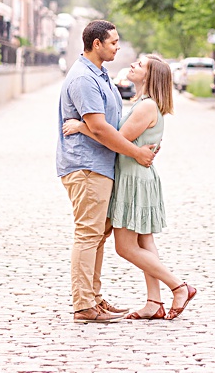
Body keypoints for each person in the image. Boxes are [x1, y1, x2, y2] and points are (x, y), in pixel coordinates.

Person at [63, 54, 197, 320]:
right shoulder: (142, 103)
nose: (133, 65)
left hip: (134, 178)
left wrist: (82, 126)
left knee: (125, 247)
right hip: (136, 175)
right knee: (145, 242)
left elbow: (115, 140)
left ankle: (179, 286)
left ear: (149, 76)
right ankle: (154, 302)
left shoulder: (146, 106)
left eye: (140, 64)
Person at [56, 19, 157, 323]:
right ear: (96, 44)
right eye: (113, 42)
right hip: (86, 166)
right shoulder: (84, 79)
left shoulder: (99, 74)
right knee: (88, 234)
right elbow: (99, 128)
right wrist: (137, 152)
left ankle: (94, 298)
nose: (118, 46)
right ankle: (84, 305)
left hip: (101, 165)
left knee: (98, 234)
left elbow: (115, 123)